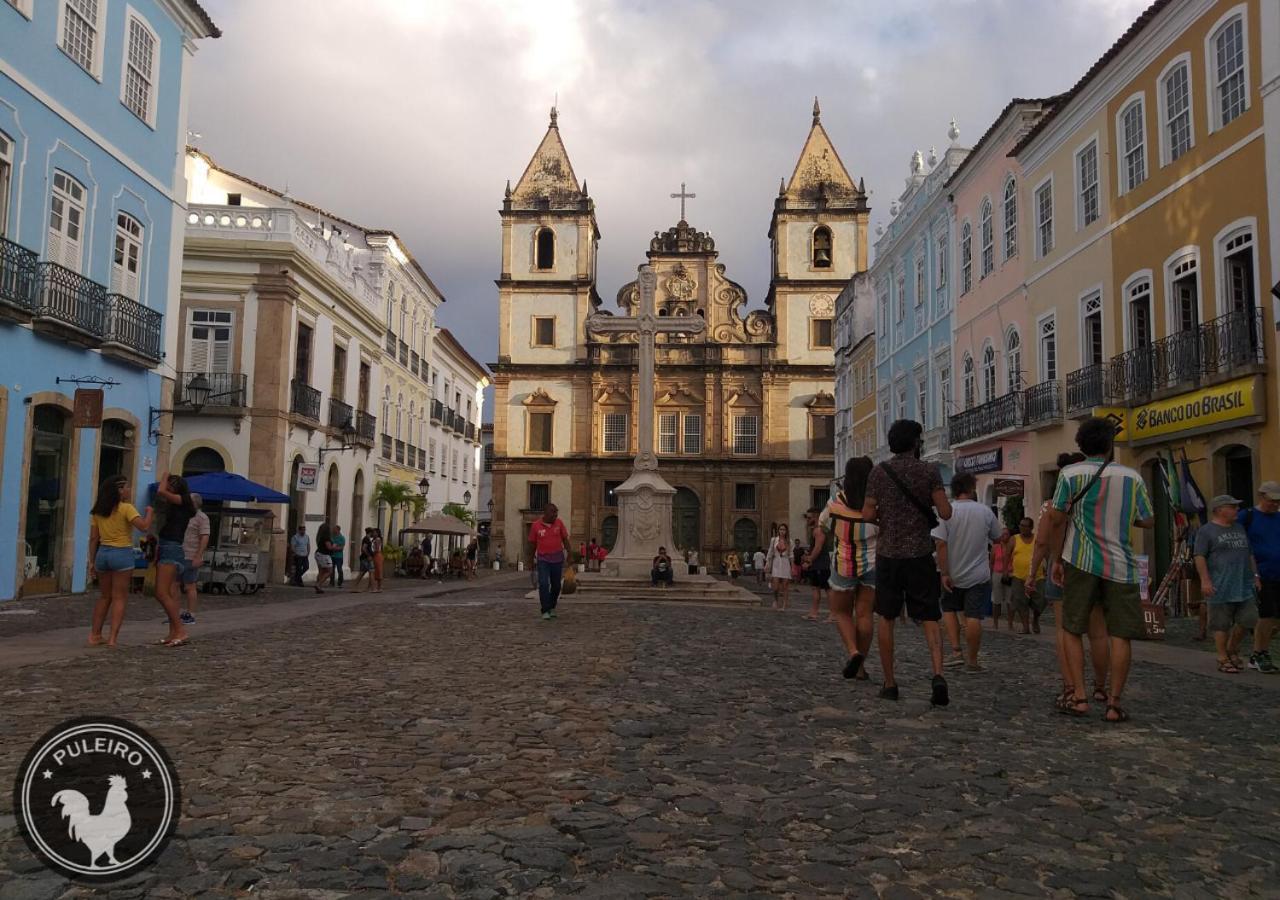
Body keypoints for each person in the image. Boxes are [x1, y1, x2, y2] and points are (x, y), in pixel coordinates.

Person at [1047, 417, 1154, 722]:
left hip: (1080, 561)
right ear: (1110, 445)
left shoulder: (1070, 474)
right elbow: (1147, 519)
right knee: (1120, 634)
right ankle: (1114, 703)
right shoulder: (1132, 478)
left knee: (1071, 629)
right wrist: (1121, 519)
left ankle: (1079, 697)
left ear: (1081, 445)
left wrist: (1057, 559)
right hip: (1121, 564)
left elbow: (1057, 518)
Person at [862, 419, 954, 705]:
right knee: (929, 616)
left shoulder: (878, 473)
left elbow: (866, 515)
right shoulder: (928, 471)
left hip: (889, 554)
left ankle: (890, 682)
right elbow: (946, 512)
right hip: (920, 554)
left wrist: (886, 520)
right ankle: (938, 673)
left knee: (886, 617)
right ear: (916, 442)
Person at [1025, 452, 1110, 711]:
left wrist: (1032, 573)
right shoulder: (1097, 502)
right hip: (1094, 563)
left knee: (1064, 631)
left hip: (1060, 564)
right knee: (1097, 631)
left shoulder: (1052, 505)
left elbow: (1040, 541)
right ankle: (1099, 687)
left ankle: (1072, 687)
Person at [816, 457, 878, 680]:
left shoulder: (836, 501)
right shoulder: (877, 504)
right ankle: (861, 668)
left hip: (844, 564)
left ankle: (853, 652)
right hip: (872, 564)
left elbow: (822, 526)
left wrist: (814, 551)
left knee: (841, 612)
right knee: (865, 615)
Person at [931, 473, 1001, 671]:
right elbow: (997, 537)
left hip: (952, 573)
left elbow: (941, 544)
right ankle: (972, 659)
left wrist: (944, 572)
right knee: (973, 616)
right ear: (971, 489)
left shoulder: (946, 512)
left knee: (950, 610)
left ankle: (956, 652)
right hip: (978, 573)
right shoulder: (985, 511)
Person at [1196, 496, 1262, 674]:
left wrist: (1255, 575)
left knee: (1249, 619)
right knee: (1220, 623)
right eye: (1232, 507)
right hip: (1220, 583)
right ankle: (1222, 656)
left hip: (1243, 582)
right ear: (1219, 510)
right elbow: (1200, 556)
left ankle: (1232, 647)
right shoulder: (1206, 531)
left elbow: (1249, 553)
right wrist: (1205, 580)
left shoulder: (1239, 528)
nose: (1237, 510)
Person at [86, 475, 153, 648]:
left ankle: (94, 635)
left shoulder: (98, 510)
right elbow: (144, 526)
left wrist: (91, 562)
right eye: (127, 487)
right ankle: (112, 638)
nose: (129, 490)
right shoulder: (126, 508)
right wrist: (150, 513)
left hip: (103, 553)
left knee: (104, 597)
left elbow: (94, 538)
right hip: (121, 552)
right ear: (119, 490)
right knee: (119, 598)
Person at [1239, 482, 1280, 674]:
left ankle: (1259, 652)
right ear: (1262, 496)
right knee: (1266, 615)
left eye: (1278, 501)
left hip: (1278, 571)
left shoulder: (1279, 517)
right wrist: (1252, 573)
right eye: (1272, 500)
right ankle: (1259, 654)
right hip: (1261, 574)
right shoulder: (1247, 516)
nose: (1276, 504)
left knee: (1275, 619)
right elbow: (1241, 546)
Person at [153, 472, 195, 647]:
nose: (168, 487)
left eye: (172, 485)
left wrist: (164, 475)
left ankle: (180, 630)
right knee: (171, 593)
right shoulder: (178, 505)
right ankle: (173, 632)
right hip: (168, 546)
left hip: (171, 548)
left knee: (161, 592)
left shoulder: (183, 501)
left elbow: (160, 491)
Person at [529, 502, 571, 620]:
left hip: (557, 559)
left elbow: (565, 540)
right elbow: (532, 544)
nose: (555, 515)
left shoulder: (559, 523)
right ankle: (545, 609)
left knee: (556, 586)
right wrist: (530, 559)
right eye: (553, 512)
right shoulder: (536, 526)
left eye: (556, 512)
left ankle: (552, 606)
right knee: (543, 584)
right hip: (543, 559)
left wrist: (570, 554)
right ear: (545, 513)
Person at [1008, 517, 1043, 634]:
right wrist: (1005, 570)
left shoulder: (1037, 539)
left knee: (1041, 601)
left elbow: (1044, 553)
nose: (1022, 528)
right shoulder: (1014, 539)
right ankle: (1025, 627)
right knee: (1020, 602)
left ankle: (1036, 619)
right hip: (1018, 576)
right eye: (1021, 525)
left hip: (1036, 576)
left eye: (1025, 526)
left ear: (1031, 528)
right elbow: (1007, 555)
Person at [180, 493, 210, 625]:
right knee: (174, 585)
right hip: (180, 553)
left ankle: (191, 614)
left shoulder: (202, 518)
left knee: (190, 585)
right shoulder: (184, 515)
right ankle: (175, 614)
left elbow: (204, 537)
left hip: (192, 555)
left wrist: (198, 556)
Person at [803, 508, 830, 621]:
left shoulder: (819, 530)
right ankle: (814, 612)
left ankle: (833, 614)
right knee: (815, 588)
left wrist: (809, 560)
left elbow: (818, 548)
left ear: (816, 517)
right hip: (817, 564)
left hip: (822, 564)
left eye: (809, 518)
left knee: (828, 590)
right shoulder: (815, 530)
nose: (807, 520)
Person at [764, 524, 794, 609]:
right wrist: (767, 563)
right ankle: (776, 600)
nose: (782, 531)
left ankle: (784, 603)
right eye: (781, 529)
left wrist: (792, 567)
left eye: (784, 529)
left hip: (785, 562)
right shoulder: (774, 540)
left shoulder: (789, 541)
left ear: (786, 531)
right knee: (776, 585)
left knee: (785, 585)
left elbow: (791, 555)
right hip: (776, 562)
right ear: (778, 530)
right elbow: (770, 552)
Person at [990, 527, 1013, 629]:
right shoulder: (995, 547)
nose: (1004, 536)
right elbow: (991, 562)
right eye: (1002, 534)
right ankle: (995, 622)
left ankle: (1010, 623)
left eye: (1006, 534)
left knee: (1010, 600)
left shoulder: (1012, 546)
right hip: (997, 573)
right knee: (996, 600)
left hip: (1010, 573)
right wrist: (990, 576)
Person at [313, 521, 333, 594]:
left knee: (321, 571)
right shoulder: (326, 537)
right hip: (324, 555)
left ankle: (318, 587)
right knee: (329, 571)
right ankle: (318, 584)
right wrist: (334, 546)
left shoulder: (319, 537)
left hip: (318, 553)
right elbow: (329, 547)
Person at [370, 528, 385, 593]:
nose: (373, 534)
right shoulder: (374, 540)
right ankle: (378, 587)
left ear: (378, 533)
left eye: (375, 532)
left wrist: (372, 553)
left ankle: (380, 587)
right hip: (376, 555)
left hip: (377, 555)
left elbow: (377, 549)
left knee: (379, 570)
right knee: (377, 570)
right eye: (373, 532)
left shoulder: (377, 539)